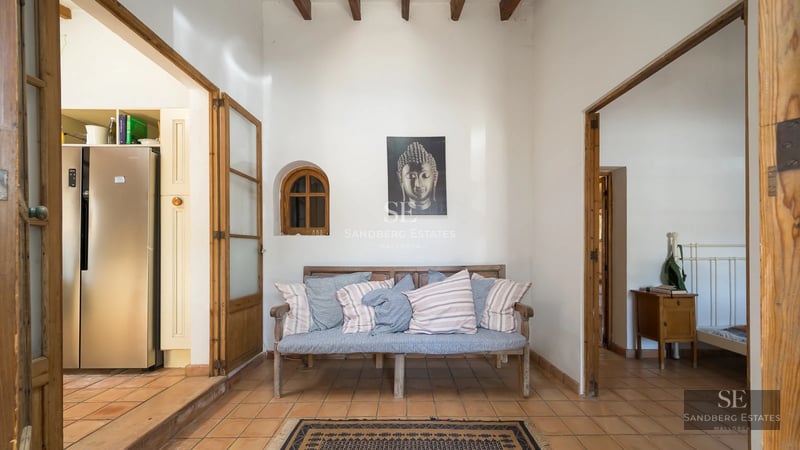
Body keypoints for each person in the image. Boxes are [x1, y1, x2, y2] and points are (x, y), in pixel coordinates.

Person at [391, 141, 445, 215]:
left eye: (425, 175)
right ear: (401, 179)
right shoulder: (394, 211)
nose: (418, 183)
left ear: (435, 178)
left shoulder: (442, 210)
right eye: (411, 176)